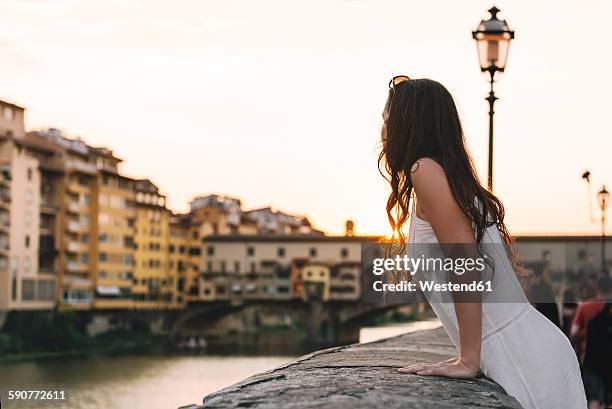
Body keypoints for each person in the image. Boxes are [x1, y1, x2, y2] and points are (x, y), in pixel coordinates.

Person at [379, 76, 587, 409]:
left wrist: (468, 359)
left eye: (390, 117)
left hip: (520, 358)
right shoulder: (448, 178)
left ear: (410, 122)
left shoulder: (425, 171)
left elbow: (464, 263)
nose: (385, 126)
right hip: (529, 350)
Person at [571, 275, 612, 409]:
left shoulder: (585, 307)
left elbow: (574, 332)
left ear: (597, 288)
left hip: (590, 359)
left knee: (593, 399)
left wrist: (586, 331)